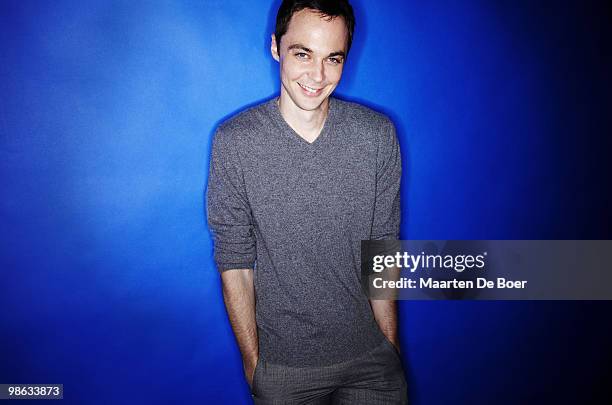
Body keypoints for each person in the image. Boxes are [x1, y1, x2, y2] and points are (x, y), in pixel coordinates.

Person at [207, 0, 407, 403]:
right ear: (276, 47)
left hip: (372, 364)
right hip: (284, 371)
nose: (317, 75)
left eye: (333, 58)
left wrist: (389, 346)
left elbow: (382, 250)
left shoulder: (377, 136)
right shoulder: (235, 142)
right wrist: (254, 364)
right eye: (303, 54)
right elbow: (235, 262)